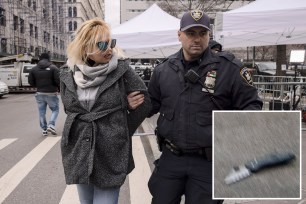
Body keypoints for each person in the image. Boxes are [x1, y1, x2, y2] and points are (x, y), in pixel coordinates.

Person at [147, 10, 263, 204]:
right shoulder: (163, 70)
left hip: (209, 162)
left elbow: (252, 105)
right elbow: (150, 105)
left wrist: (234, 132)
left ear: (209, 34)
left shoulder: (230, 68)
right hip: (171, 159)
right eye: (191, 33)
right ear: (179, 35)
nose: (197, 39)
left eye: (202, 33)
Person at [59, 18, 151, 204]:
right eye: (102, 44)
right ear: (85, 47)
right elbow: (69, 108)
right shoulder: (67, 73)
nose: (109, 49)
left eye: (111, 43)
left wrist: (123, 128)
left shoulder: (122, 69)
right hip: (79, 148)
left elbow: (145, 103)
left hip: (111, 149)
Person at [28, 52, 60, 136]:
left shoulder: (34, 69)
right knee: (55, 109)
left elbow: (30, 82)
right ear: (48, 58)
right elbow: (58, 80)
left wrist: (38, 86)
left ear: (40, 59)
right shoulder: (53, 68)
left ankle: (44, 129)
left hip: (40, 93)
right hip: (51, 93)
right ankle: (51, 125)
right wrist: (58, 88)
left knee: (42, 112)